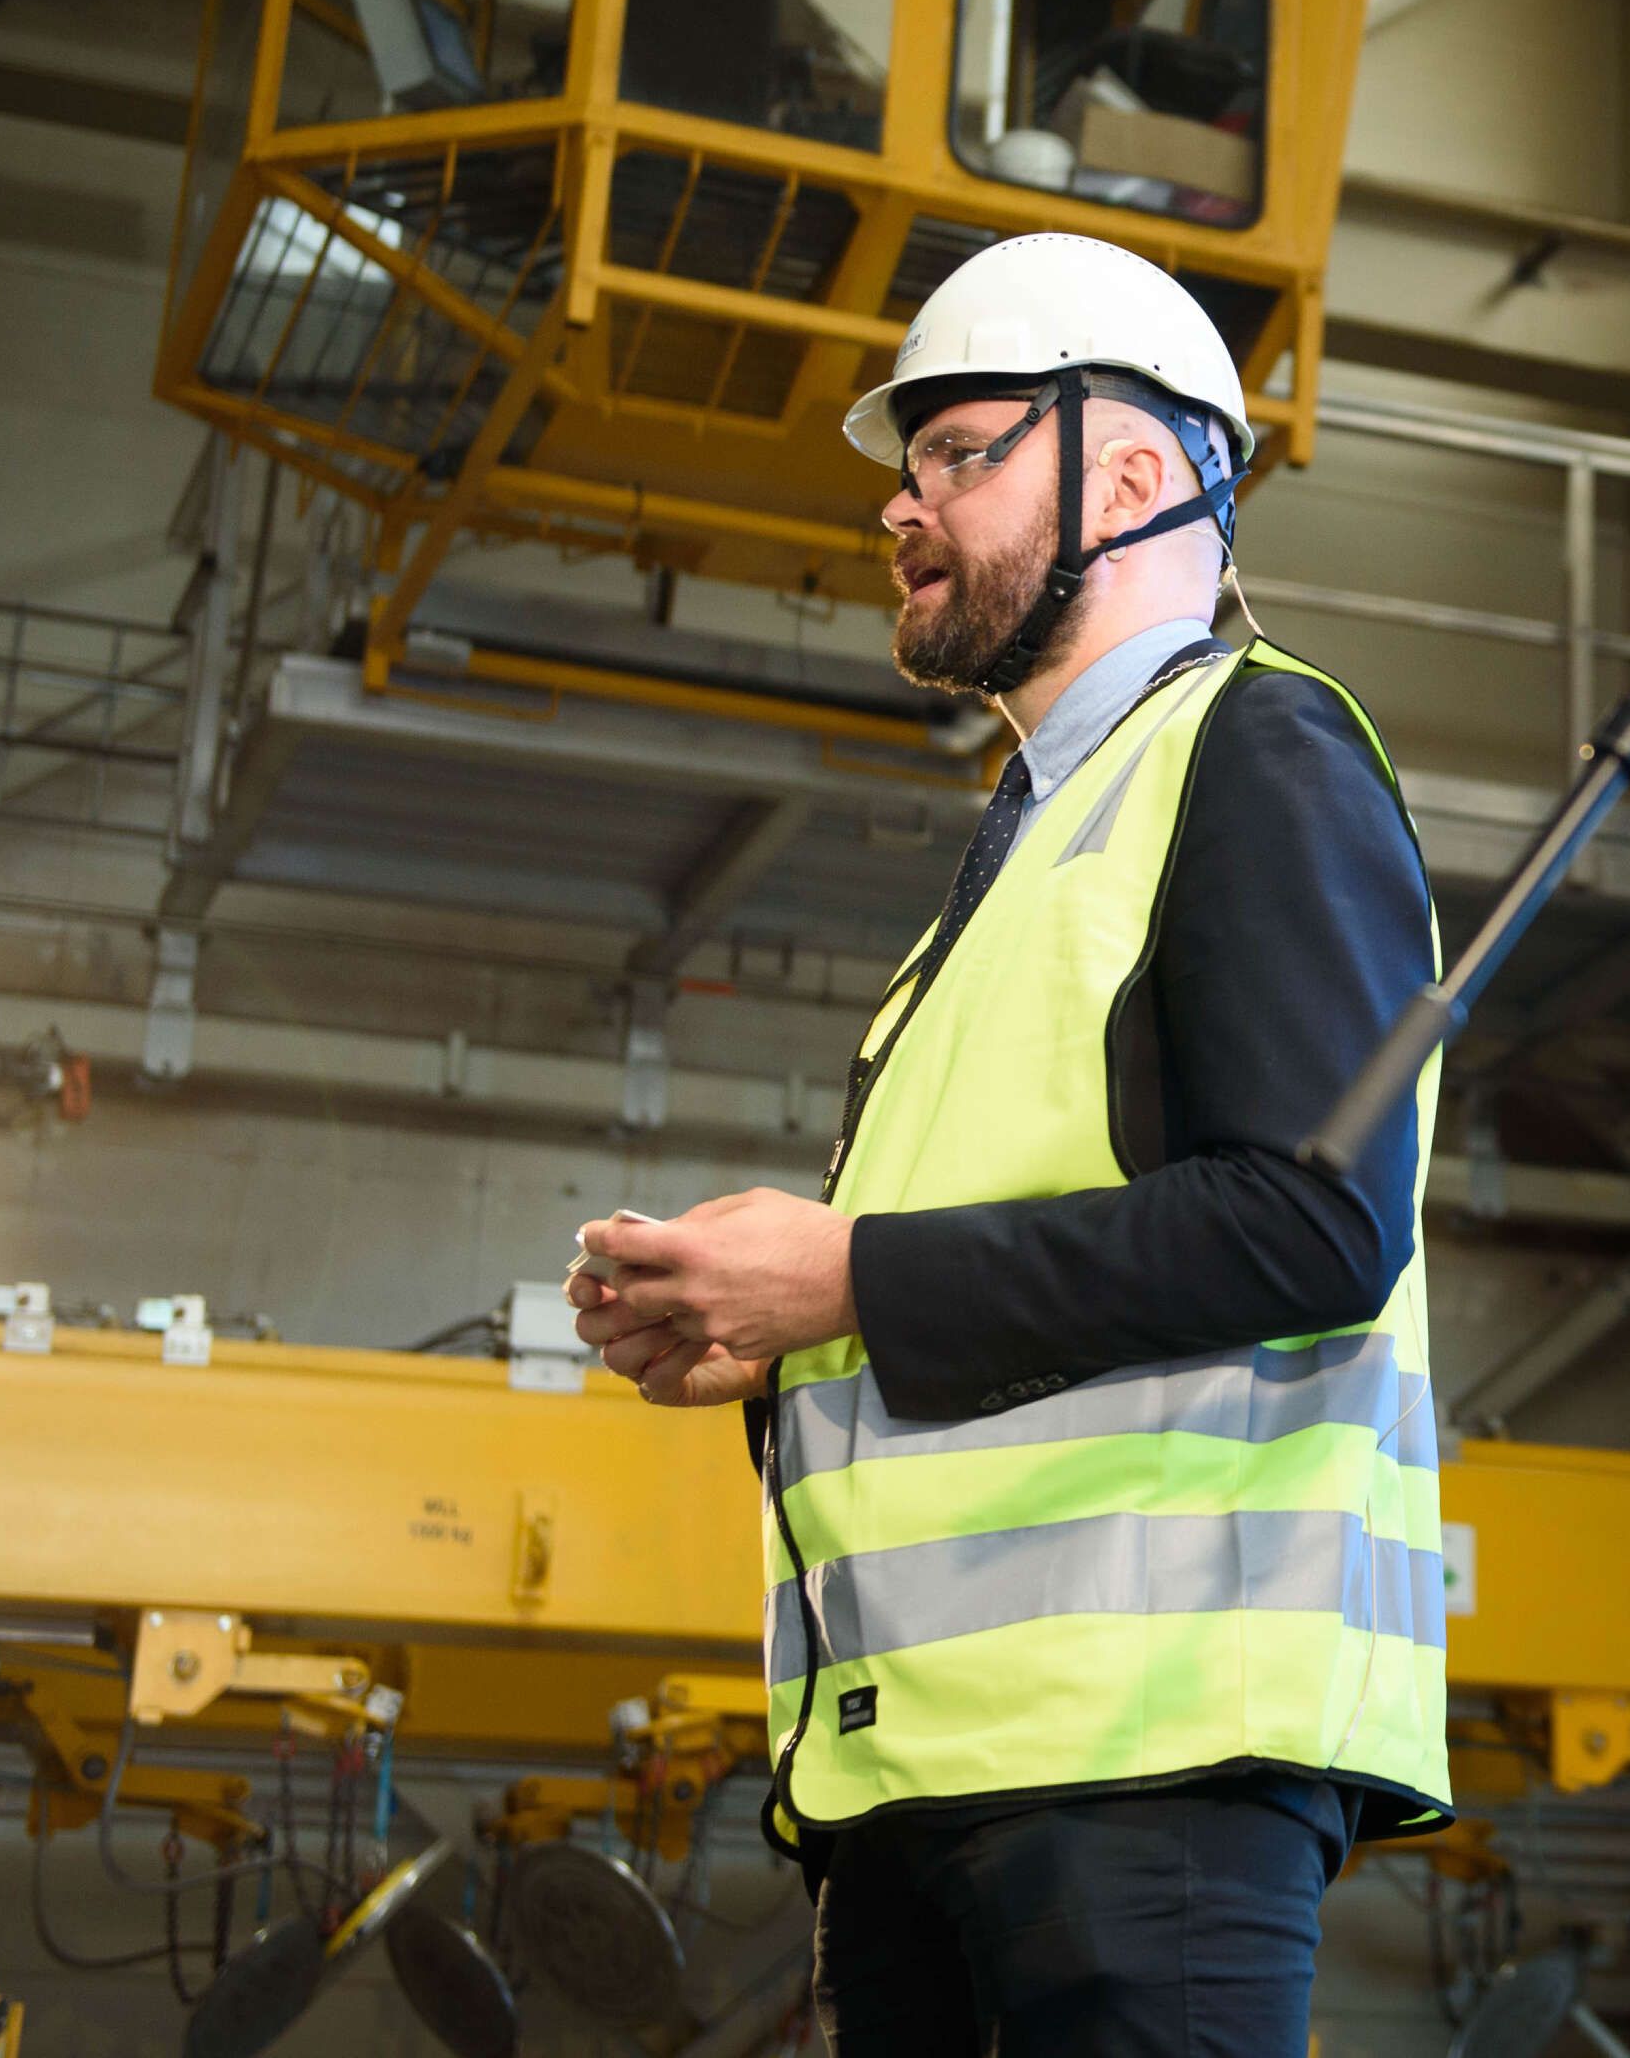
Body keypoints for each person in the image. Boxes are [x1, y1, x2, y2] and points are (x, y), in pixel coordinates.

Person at [565, 233, 1446, 2058]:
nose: (902, 506)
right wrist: (775, 1332)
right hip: (932, 1779)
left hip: (1147, 1762)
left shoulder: (1257, 751)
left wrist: (844, 1277)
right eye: (911, 466)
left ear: (1130, 479)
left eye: (960, 452)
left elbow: (1314, 1225)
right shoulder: (1023, 861)